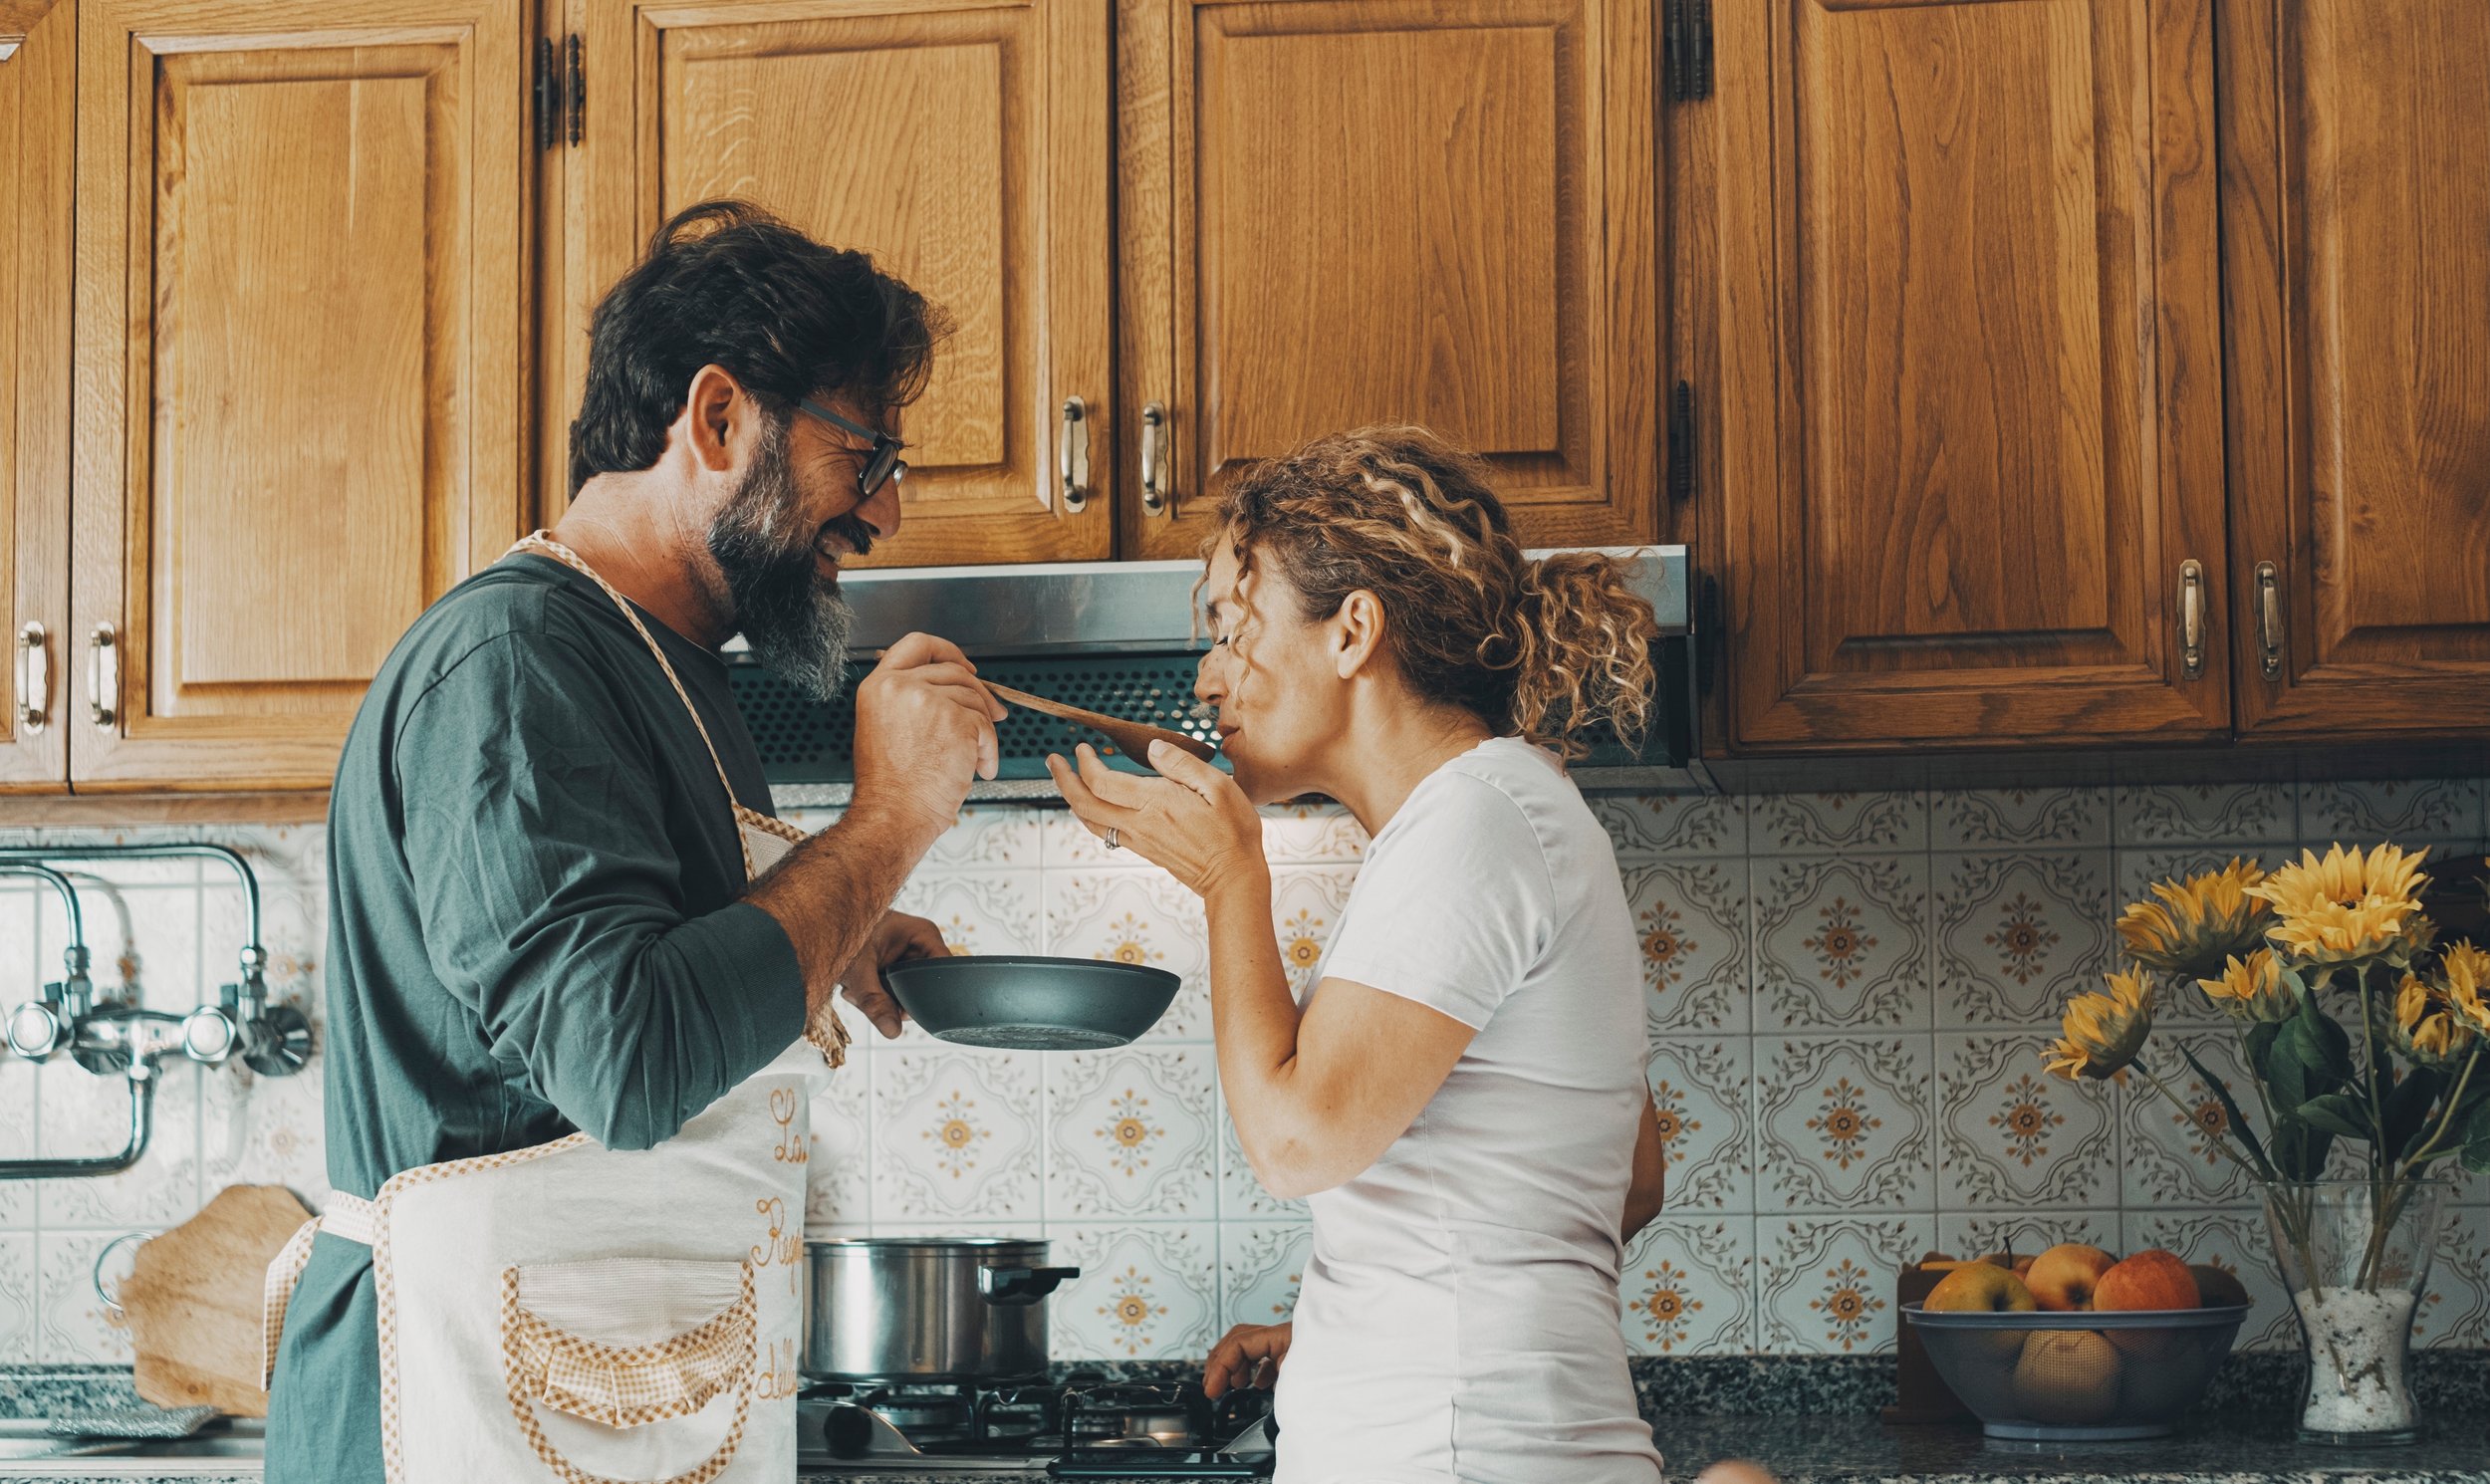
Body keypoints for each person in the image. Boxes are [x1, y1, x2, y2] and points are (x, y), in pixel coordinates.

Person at [265, 200, 1007, 1482]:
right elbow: (621, 1056)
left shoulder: (661, 663)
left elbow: (626, 976)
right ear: (718, 418)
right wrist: (888, 824)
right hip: (455, 1406)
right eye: (867, 452)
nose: (885, 511)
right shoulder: (518, 659)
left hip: (592, 1394)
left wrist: (825, 930)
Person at [1049, 426, 1670, 1483]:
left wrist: (1229, 879)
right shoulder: (1493, 810)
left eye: (1231, 630)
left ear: (1352, 633)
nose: (1207, 680)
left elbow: (1295, 1145)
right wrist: (1364, 1325)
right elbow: (1628, 1172)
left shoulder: (1472, 820)